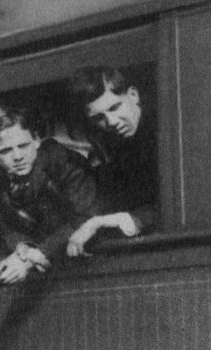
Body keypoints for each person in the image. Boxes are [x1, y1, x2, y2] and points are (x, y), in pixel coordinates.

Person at [0, 106, 100, 284]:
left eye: (23, 145)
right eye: (6, 151)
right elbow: (2, 229)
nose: (18, 156)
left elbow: (85, 217)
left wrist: (34, 256)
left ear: (36, 140)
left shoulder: (64, 163)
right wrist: (22, 249)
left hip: (88, 266)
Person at [66, 66, 158, 257]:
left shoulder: (163, 131)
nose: (112, 122)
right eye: (99, 118)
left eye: (115, 107)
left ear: (133, 95)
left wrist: (129, 218)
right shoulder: (115, 147)